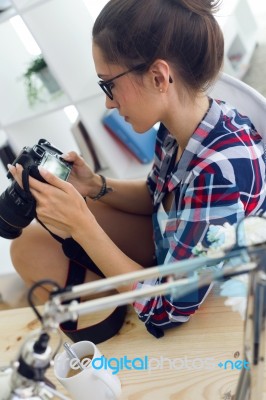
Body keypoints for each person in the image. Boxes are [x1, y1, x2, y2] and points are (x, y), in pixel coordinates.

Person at [9, 0, 266, 338]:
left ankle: (115, 313)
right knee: (30, 241)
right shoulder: (185, 124)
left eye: (108, 84)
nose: (109, 103)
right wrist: (94, 185)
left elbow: (167, 313)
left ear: (159, 77)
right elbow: (154, 194)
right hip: (172, 246)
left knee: (59, 234)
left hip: (208, 302)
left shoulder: (223, 173)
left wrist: (83, 226)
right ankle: (118, 293)